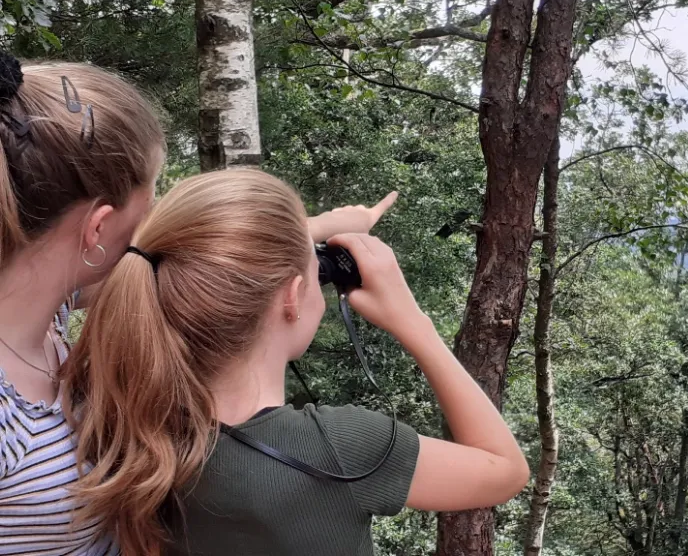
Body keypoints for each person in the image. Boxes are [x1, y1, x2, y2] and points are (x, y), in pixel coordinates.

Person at [0, 49, 398, 555]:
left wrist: (313, 231)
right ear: (98, 228)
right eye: (149, 202)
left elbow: (169, 264)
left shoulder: (43, 300)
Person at [63, 168, 530, 556]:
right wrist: (414, 323)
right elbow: (504, 469)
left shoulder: (114, 422)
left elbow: (160, 264)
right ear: (291, 297)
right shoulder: (342, 448)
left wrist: (300, 234)